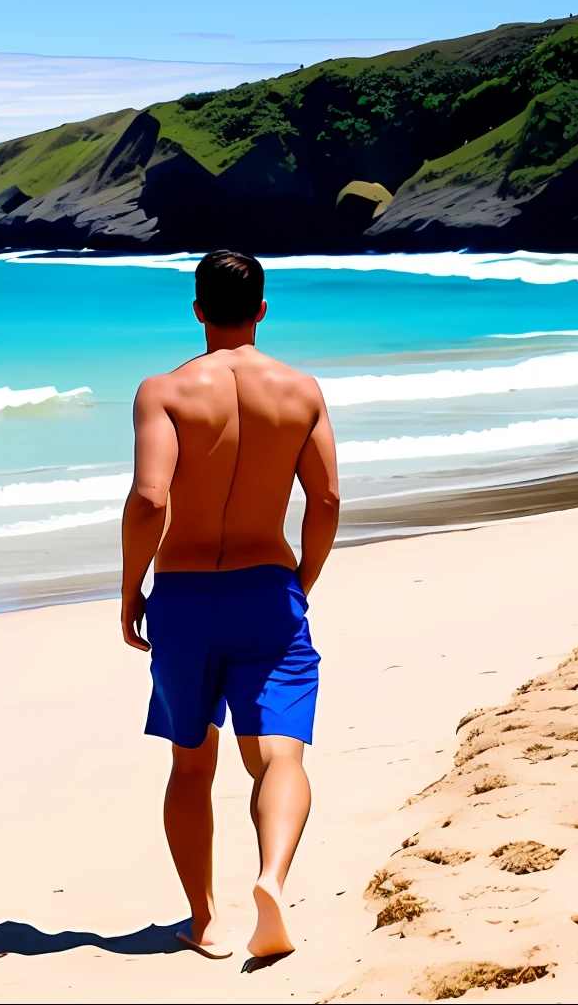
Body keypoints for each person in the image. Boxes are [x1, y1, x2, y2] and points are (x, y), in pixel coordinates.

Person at [119, 250, 340, 968]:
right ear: (264, 310)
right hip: (267, 590)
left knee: (191, 765)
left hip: (184, 595)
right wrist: (300, 579)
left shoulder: (165, 392)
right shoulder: (301, 390)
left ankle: (205, 920)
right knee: (279, 753)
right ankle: (271, 879)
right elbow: (327, 500)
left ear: (196, 310)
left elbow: (151, 500)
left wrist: (131, 593)